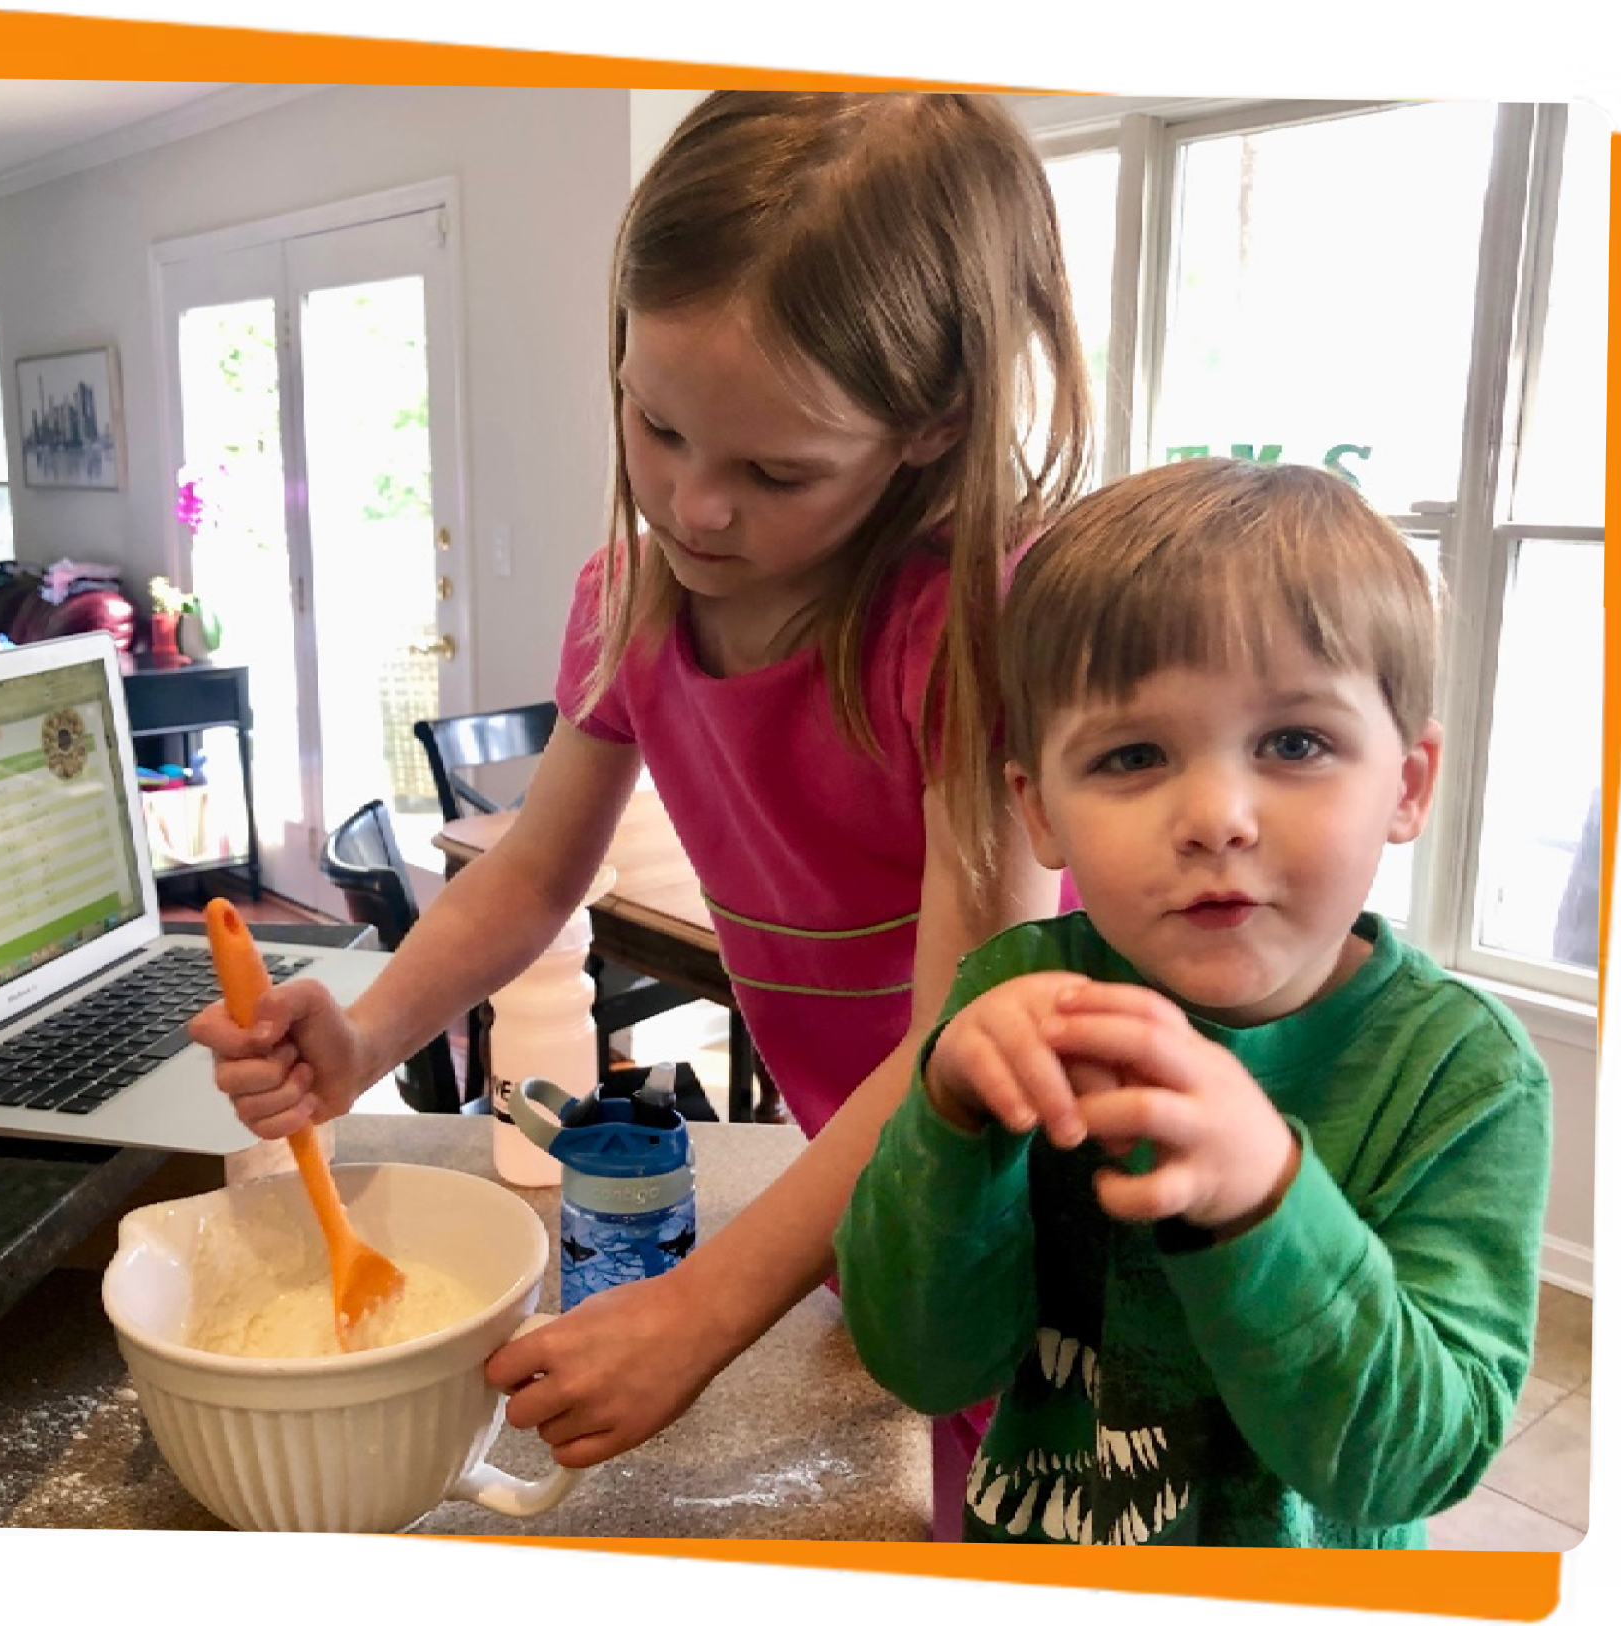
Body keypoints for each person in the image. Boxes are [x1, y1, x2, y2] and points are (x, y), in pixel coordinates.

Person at [187, 89, 1093, 1536]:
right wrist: (366, 1031)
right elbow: (534, 872)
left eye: (774, 470)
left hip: (1064, 1221)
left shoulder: (978, 626)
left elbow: (956, 1033)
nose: (693, 504)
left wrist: (705, 1308)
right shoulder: (632, 602)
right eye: (656, 422)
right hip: (884, 1203)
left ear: (930, 426)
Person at [835, 457, 1553, 1547]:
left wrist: (1269, 1193)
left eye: (1295, 743)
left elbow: (1418, 1461)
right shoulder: (1018, 999)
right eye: (1133, 754)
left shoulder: (1464, 1077)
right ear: (1040, 812)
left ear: (1406, 785)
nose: (1217, 815)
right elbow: (921, 1364)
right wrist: (950, 1123)